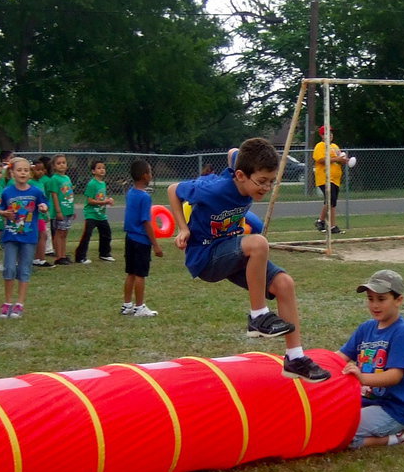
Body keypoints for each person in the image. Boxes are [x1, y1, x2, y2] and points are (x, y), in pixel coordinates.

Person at [167, 137, 331, 383]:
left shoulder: (242, 168)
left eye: (272, 182)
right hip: (206, 258)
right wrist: (183, 228)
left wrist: (242, 152)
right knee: (258, 244)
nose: (266, 188)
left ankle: (294, 358)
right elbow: (172, 190)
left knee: (285, 284)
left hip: (232, 251)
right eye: (262, 182)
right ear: (241, 176)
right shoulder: (213, 189)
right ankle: (257, 317)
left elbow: (234, 152)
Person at [336, 269, 404, 448]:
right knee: (326, 421)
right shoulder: (365, 328)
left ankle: (400, 436)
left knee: (339, 434)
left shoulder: (402, 333)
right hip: (364, 402)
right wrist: (310, 364)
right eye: (370, 298)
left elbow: (394, 376)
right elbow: (339, 358)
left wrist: (362, 378)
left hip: (394, 409)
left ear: (399, 300)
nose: (375, 305)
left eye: (381, 299)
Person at [0, 157, 46, 318]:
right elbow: (1, 209)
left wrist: (44, 207)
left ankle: (20, 303)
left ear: (30, 173)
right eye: (19, 170)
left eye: (26, 170)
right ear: (12, 173)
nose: (23, 173)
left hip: (29, 236)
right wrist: (4, 213)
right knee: (9, 267)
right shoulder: (7, 192)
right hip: (11, 236)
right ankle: (7, 302)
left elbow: (45, 205)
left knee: (24, 269)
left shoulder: (36, 191)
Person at [120, 158, 162, 318]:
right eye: (150, 172)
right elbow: (146, 222)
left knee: (130, 272)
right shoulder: (144, 197)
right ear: (145, 176)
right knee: (140, 274)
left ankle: (127, 305)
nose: (151, 175)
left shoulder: (130, 192)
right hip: (140, 241)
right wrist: (155, 245)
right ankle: (139, 307)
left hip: (129, 238)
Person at [74, 158, 115, 264]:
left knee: (106, 233)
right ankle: (80, 257)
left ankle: (104, 254)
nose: (102, 170)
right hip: (91, 214)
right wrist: (104, 202)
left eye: (103, 168)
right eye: (99, 168)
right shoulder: (92, 184)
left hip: (101, 214)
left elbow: (101, 197)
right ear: (93, 171)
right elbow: (90, 200)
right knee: (87, 235)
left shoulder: (103, 184)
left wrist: (108, 200)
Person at [313, 125, 349, 234]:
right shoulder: (320, 145)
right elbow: (320, 159)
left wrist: (344, 160)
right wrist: (336, 159)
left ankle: (322, 222)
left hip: (335, 179)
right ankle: (330, 225)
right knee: (331, 200)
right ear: (322, 135)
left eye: (331, 133)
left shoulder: (335, 146)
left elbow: (339, 158)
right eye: (326, 133)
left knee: (331, 201)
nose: (330, 135)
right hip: (325, 178)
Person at [47, 154, 75, 266]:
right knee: (59, 233)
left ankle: (63, 254)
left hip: (68, 209)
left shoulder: (67, 178)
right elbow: (54, 196)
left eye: (63, 162)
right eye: (58, 163)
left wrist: (71, 210)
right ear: (54, 166)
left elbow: (69, 194)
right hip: (60, 211)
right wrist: (58, 211)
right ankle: (58, 256)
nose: (62, 165)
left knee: (65, 233)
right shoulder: (54, 179)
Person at [30, 157, 52, 266]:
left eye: (42, 170)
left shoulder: (41, 183)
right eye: (38, 170)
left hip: (41, 215)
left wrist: (46, 212)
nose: (41, 172)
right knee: (40, 236)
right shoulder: (30, 183)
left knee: (43, 236)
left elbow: (43, 199)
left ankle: (39, 258)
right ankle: (39, 258)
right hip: (34, 215)